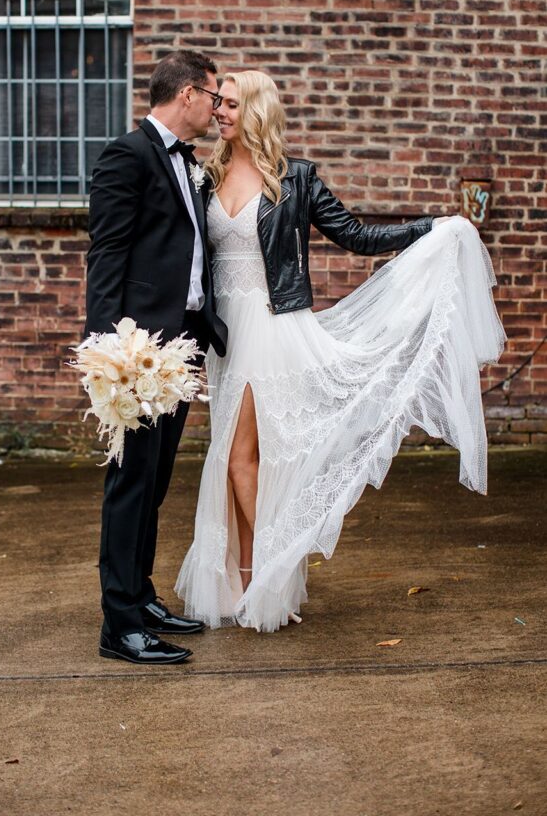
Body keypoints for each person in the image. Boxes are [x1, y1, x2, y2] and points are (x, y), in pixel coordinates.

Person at [175, 70, 505, 632]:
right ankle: (251, 578)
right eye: (218, 102)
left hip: (273, 326)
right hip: (224, 336)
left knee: (238, 458)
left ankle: (272, 568)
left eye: (230, 103)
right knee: (240, 461)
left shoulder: (295, 179)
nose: (219, 111)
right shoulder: (205, 176)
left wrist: (431, 227)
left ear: (254, 110)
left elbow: (356, 236)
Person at [84, 49, 228, 664]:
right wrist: (108, 346)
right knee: (131, 480)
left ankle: (139, 595)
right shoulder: (128, 154)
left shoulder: (191, 164)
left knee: (156, 479)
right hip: (139, 351)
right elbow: (107, 252)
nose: (219, 109)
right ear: (189, 93)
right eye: (214, 97)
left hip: (182, 342)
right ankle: (119, 625)